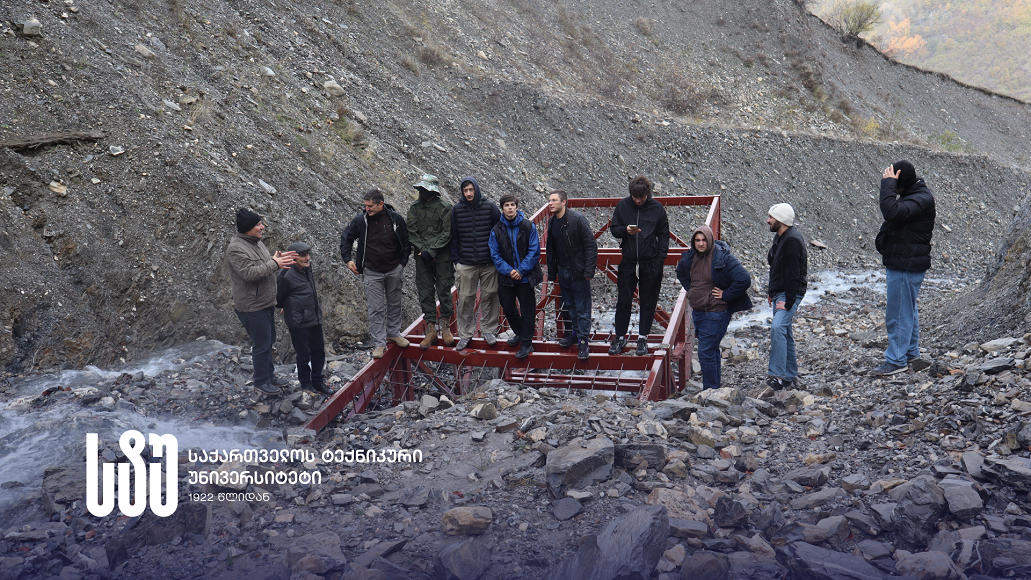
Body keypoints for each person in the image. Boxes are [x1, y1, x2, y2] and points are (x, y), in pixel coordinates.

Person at [872, 160, 936, 376]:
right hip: (905, 261)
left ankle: (896, 360)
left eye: (895, 182)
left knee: (898, 313)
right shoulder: (914, 196)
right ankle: (910, 353)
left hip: (906, 264)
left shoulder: (922, 198)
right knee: (907, 309)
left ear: (901, 180)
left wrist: (888, 185)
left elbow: (892, 212)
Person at [226, 208, 297, 395]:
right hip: (252, 306)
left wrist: (275, 259)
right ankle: (261, 382)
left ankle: (269, 376)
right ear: (248, 227)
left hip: (265, 303)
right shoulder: (236, 249)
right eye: (258, 224)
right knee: (261, 344)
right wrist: (275, 264)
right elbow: (249, 273)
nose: (262, 227)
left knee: (268, 341)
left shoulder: (256, 242)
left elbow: (263, 265)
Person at [676, 225, 752, 390]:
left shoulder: (722, 257)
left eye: (704, 240)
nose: (701, 243)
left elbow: (744, 279)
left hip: (717, 312)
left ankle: (709, 389)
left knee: (705, 351)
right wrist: (692, 290)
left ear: (710, 240)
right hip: (699, 311)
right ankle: (714, 389)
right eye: (697, 240)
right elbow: (680, 272)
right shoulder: (690, 257)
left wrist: (726, 295)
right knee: (711, 350)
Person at [340, 189, 411, 359]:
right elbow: (346, 237)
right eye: (365, 206)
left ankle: (394, 333)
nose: (367, 209)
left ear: (381, 204)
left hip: (393, 269)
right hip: (372, 272)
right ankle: (379, 343)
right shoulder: (361, 220)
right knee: (376, 308)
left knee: (395, 303)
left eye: (370, 206)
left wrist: (402, 264)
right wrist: (347, 259)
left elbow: (406, 242)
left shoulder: (395, 219)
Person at [608, 176, 670, 356]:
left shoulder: (657, 209)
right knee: (623, 300)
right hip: (628, 261)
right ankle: (620, 337)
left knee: (648, 301)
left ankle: (642, 338)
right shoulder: (623, 206)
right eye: (634, 197)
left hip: (650, 262)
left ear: (647, 194)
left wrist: (660, 259)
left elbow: (664, 235)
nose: (637, 201)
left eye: (640, 198)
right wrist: (625, 231)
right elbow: (614, 229)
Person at [488, 195, 543, 359]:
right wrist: (509, 271)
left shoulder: (528, 226)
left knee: (527, 310)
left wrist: (521, 270)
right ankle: (520, 332)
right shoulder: (496, 230)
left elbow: (534, 251)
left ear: (517, 207)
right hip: (507, 277)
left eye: (512, 205)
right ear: (502, 208)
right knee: (508, 307)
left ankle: (526, 343)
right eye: (507, 205)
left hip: (525, 277)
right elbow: (495, 254)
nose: (510, 208)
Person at [546, 190, 598, 361]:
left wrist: (588, 271)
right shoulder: (552, 222)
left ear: (564, 202)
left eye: (554, 200)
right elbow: (551, 249)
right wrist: (552, 272)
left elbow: (591, 246)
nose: (550, 203)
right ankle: (574, 335)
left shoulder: (578, 220)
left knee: (582, 308)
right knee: (569, 306)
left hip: (579, 272)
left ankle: (583, 342)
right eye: (549, 200)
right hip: (563, 271)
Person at [450, 177, 501, 350]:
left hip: (488, 263)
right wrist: (456, 260)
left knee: (490, 295)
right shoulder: (457, 210)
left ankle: (489, 330)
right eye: (465, 190)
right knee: (465, 298)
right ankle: (465, 334)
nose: (469, 193)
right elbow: (453, 236)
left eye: (471, 189)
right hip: (466, 263)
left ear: (476, 189)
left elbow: (499, 232)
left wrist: (496, 256)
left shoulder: (490, 207)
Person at [276, 241, 332, 395]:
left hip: (313, 317)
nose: (307, 258)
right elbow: (278, 299)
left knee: (319, 352)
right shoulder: (285, 274)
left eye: (308, 254)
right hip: (298, 321)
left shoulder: (307, 268)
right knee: (303, 354)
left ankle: (318, 382)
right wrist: (288, 306)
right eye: (303, 256)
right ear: (294, 258)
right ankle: (306, 385)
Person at [408, 174, 457, 349]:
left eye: (424, 189)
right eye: (421, 189)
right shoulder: (414, 208)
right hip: (422, 257)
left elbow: (447, 232)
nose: (422, 192)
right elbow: (411, 231)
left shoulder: (445, 208)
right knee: (425, 291)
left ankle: (446, 327)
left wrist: (432, 250)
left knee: (444, 290)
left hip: (442, 257)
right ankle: (430, 329)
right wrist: (423, 250)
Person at [765, 204, 808, 390]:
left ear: (781, 220)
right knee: (785, 332)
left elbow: (794, 274)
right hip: (780, 292)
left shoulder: (792, 240)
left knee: (777, 328)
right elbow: (775, 267)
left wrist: (789, 301)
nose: (768, 220)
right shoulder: (781, 236)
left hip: (789, 293)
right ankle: (790, 375)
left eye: (771, 217)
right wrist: (771, 292)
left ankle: (778, 376)